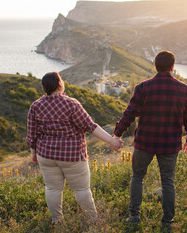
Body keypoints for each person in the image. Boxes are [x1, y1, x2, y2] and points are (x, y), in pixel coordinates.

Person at [113, 51, 187, 231]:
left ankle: (134, 216)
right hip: (170, 144)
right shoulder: (183, 90)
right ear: (173, 67)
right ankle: (167, 221)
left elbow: (130, 113)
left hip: (144, 142)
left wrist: (117, 133)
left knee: (137, 177)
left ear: (155, 66)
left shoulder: (143, 87)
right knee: (168, 181)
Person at [26, 72, 123, 224]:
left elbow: (32, 134)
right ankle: (92, 221)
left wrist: (33, 154)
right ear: (60, 84)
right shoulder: (71, 103)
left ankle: (57, 221)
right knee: (82, 190)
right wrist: (112, 140)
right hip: (71, 155)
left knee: (52, 189)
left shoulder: (36, 106)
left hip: (46, 155)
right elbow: (90, 126)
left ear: (44, 88)